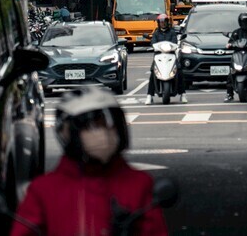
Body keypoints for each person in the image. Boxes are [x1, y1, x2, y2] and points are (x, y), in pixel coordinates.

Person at [11, 88, 167, 236]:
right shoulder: (44, 190)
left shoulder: (139, 184)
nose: (104, 133)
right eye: (92, 127)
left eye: (109, 125)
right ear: (68, 133)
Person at [146, 14, 187, 104]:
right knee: (153, 72)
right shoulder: (156, 33)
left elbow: (175, 42)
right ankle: (149, 95)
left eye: (164, 22)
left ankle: (183, 94)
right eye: (161, 22)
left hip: (171, 55)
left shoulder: (172, 32)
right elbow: (153, 42)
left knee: (179, 71)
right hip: (158, 56)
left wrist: (173, 46)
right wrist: (154, 46)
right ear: (158, 23)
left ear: (167, 22)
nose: (163, 24)